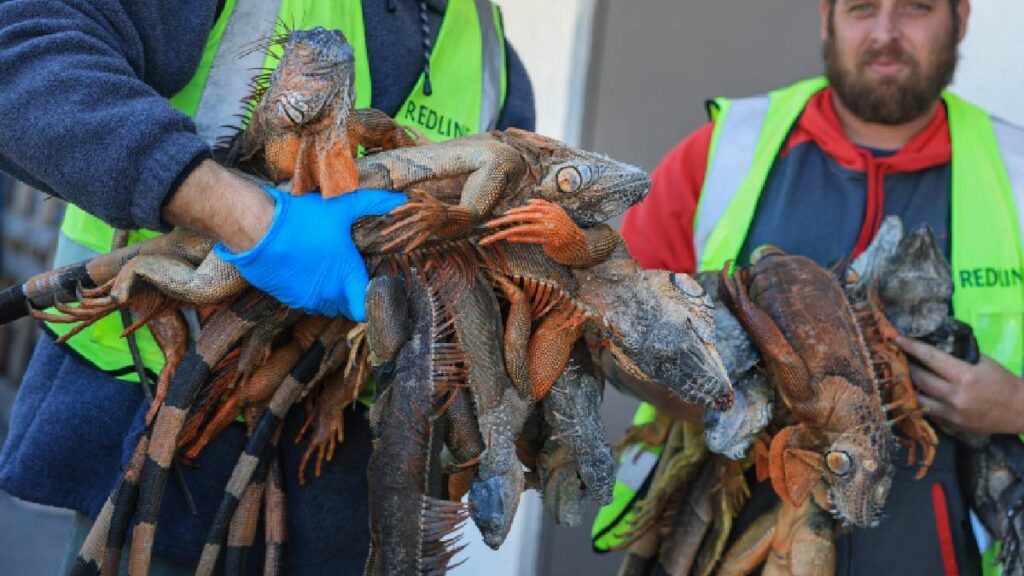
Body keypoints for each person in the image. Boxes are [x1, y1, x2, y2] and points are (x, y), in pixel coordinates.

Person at [0, 0, 534, 573]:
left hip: (346, 500)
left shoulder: (489, 50)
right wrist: (255, 223)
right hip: (158, 444)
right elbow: (22, 51)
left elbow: (503, 244)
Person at [595, 1, 1023, 574]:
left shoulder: (1016, 171)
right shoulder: (722, 153)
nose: (886, 32)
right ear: (827, 18)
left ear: (960, 19)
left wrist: (1017, 406)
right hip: (726, 533)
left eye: (917, 8)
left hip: (944, 551)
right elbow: (604, 328)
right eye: (862, 8)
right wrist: (719, 396)